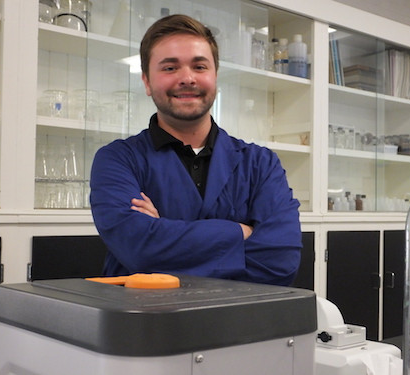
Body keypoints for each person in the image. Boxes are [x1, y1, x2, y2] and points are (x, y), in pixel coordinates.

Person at [90, 14, 302, 286]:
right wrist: (240, 232)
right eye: (169, 68)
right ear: (146, 82)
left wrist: (162, 234)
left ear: (215, 76)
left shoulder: (260, 164)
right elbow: (138, 248)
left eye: (199, 66)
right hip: (143, 322)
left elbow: (280, 261)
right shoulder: (118, 160)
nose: (187, 78)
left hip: (237, 323)